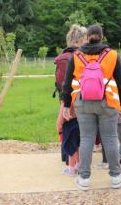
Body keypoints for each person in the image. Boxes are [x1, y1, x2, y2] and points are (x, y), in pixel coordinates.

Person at [62, 24, 121, 191]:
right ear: (101, 36)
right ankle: (116, 177)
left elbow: (67, 83)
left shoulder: (76, 56)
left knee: (86, 139)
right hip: (108, 103)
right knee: (110, 139)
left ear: (87, 37)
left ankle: (84, 178)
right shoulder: (112, 55)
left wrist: (67, 105)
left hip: (83, 103)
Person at [54, 24, 87, 164]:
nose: (87, 42)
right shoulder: (80, 57)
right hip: (77, 100)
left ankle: (67, 159)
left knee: (67, 129)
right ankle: (76, 164)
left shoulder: (63, 57)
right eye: (85, 39)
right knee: (77, 132)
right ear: (78, 40)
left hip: (65, 99)